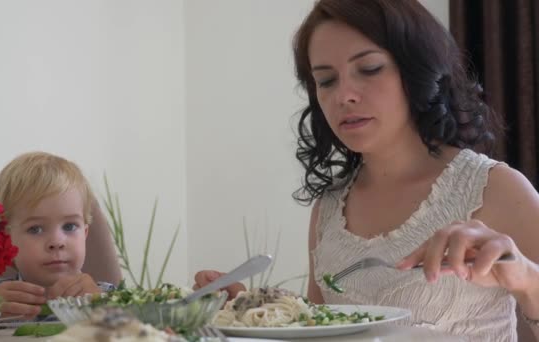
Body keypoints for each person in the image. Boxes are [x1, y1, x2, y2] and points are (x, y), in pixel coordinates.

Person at [194, 1, 539, 341]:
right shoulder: (329, 210)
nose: (344, 95)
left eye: (370, 69)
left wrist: (526, 279)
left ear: (415, 70)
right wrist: (252, 313)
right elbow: (322, 333)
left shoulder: (495, 190)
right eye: (326, 80)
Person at [0, 152, 115, 318]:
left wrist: (104, 305)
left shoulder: (107, 296)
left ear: (85, 233)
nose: (56, 242)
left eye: (69, 226)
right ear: (7, 239)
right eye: (35, 229)